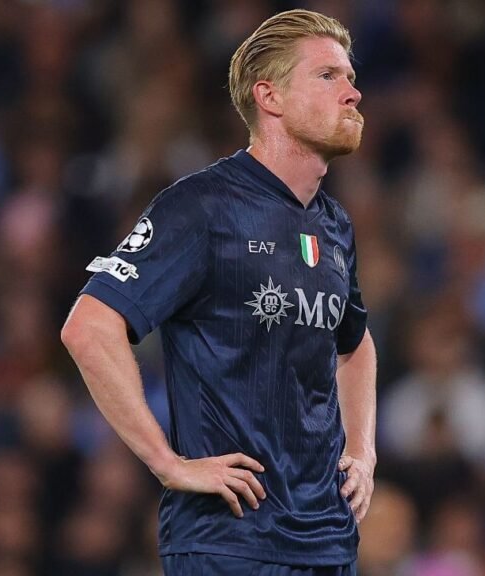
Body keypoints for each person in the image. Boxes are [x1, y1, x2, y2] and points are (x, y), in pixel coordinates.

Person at [60, 9, 377, 576]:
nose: (352, 93)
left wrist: (362, 450)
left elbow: (354, 343)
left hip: (327, 541)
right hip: (229, 540)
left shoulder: (334, 225)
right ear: (269, 97)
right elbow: (89, 326)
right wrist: (167, 463)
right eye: (328, 76)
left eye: (350, 77)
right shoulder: (200, 207)